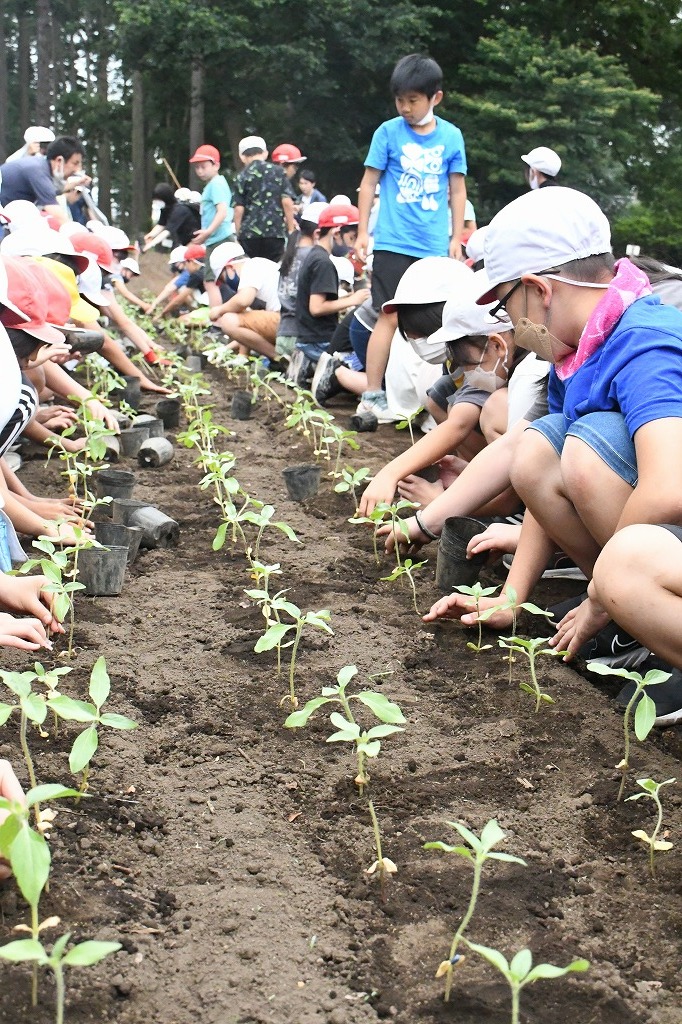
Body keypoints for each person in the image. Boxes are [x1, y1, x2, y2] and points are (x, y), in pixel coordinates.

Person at [425, 186, 682, 719]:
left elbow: (668, 486)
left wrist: (598, 597)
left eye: (504, 305)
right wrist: (514, 596)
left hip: (662, 536)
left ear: (538, 290)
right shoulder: (583, 349)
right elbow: (540, 481)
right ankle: (639, 625)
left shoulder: (647, 343)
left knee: (589, 458)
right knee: (540, 448)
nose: (509, 327)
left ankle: (642, 621)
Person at [354, 53, 468, 422]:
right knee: (387, 316)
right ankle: (371, 394)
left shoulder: (451, 137)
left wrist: (455, 236)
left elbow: (457, 189)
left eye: (413, 100)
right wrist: (361, 232)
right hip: (392, 241)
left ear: (436, 97)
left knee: (435, 323)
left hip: (433, 244)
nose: (405, 107)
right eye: (399, 99)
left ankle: (434, 399)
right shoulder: (387, 132)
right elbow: (369, 183)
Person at [289, 204, 370, 385]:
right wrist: (352, 299)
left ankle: (308, 363)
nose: (352, 244)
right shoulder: (323, 262)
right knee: (366, 361)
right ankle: (316, 367)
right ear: (336, 234)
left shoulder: (314, 256)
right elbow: (317, 308)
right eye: (352, 237)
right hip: (319, 340)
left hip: (308, 336)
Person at [208, 242, 281, 359]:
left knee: (228, 320)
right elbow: (249, 332)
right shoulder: (259, 265)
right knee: (239, 317)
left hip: (285, 322)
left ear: (229, 267)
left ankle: (279, 358)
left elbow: (243, 301)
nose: (226, 284)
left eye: (223, 279)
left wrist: (219, 310)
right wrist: (226, 350)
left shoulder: (251, 267)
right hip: (286, 322)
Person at [233, 136, 296, 262]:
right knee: (273, 271)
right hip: (274, 232)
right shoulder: (278, 172)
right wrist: (291, 229)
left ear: (242, 157)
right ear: (266, 153)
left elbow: (239, 209)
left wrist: (239, 234)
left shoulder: (241, 176)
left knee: (253, 271)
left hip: (249, 235)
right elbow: (286, 201)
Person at [0, 136, 90, 225]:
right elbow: (58, 215)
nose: (78, 169)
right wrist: (79, 233)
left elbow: (53, 191)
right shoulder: (37, 171)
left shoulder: (40, 166)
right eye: (75, 163)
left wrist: (77, 183)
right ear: (59, 160)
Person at [188, 144, 234, 310]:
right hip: (217, 238)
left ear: (216, 165)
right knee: (221, 279)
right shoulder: (214, 184)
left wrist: (207, 232)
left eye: (204, 167)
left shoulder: (216, 184)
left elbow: (222, 212)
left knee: (210, 281)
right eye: (197, 167)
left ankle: (217, 321)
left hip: (218, 239)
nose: (200, 171)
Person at [143, 182, 200, 250]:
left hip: (196, 241)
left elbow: (167, 231)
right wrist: (151, 235)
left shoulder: (180, 210)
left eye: (158, 199)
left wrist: (151, 244)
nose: (156, 202)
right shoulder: (165, 209)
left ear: (165, 198)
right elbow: (161, 225)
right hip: (184, 241)